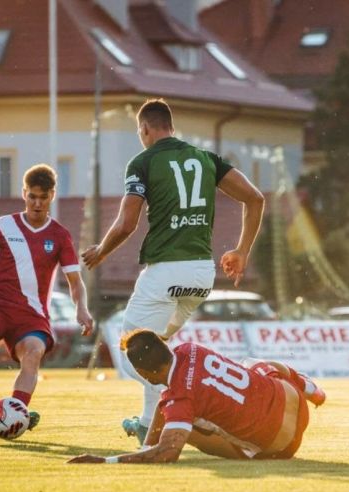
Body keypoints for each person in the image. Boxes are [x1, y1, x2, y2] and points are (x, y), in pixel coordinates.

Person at [80, 98, 265, 445]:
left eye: (140, 132)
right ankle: (149, 424)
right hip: (200, 275)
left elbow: (126, 223)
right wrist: (241, 251)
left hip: (165, 273)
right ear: (172, 127)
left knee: (130, 349)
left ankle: (180, 411)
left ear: (145, 129)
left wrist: (101, 251)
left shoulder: (143, 161)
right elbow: (255, 198)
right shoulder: (206, 158)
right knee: (157, 350)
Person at [0, 164, 94, 439]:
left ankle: (16, 412)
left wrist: (82, 308)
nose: (37, 203)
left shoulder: (60, 235)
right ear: (24, 193)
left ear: (52, 195)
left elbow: (76, 282)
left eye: (44, 197)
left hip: (31, 313)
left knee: (34, 351)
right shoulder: (4, 225)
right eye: (32, 196)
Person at [67, 329, 325, 464]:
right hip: (293, 400)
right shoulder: (189, 349)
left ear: (143, 372)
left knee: (184, 429)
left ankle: (150, 443)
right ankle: (309, 387)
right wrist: (148, 445)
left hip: (281, 445)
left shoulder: (180, 398)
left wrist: (106, 461)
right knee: (253, 364)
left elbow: (168, 453)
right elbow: (167, 398)